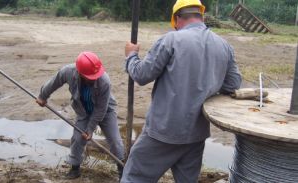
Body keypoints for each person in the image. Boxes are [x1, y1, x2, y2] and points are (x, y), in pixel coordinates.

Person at [121, 0, 242, 182]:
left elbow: (142, 74)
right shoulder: (224, 45)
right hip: (196, 134)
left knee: (134, 177)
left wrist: (131, 56)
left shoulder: (171, 40)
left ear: (177, 19)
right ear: (201, 16)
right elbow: (232, 84)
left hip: (163, 131)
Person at [36, 51, 125, 179]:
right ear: (80, 73)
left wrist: (90, 129)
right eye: (90, 76)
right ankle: (75, 169)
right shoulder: (68, 71)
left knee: (115, 141)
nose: (94, 78)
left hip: (106, 111)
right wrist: (42, 96)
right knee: (78, 139)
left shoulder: (104, 80)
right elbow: (54, 82)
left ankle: (122, 170)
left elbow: (101, 109)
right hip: (83, 110)